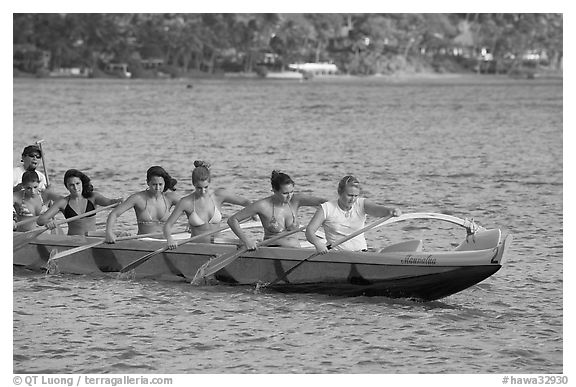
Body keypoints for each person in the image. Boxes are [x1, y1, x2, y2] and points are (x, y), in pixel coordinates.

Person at [227, 170, 327, 250]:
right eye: (285, 193)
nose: (289, 197)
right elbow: (232, 220)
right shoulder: (262, 205)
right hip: (272, 251)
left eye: (291, 192)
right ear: (274, 191)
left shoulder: (296, 200)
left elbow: (323, 202)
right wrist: (246, 240)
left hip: (296, 251)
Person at [164, 160, 253, 248]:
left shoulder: (219, 195)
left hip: (220, 245)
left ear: (209, 182)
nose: (203, 191)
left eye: (206, 187)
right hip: (197, 248)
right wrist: (170, 239)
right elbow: (167, 226)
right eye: (199, 188)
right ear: (193, 184)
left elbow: (246, 202)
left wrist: (251, 212)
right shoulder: (185, 202)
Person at [305, 175, 401, 254]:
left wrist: (390, 211)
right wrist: (318, 244)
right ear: (340, 192)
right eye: (349, 195)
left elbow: (378, 210)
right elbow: (310, 231)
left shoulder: (362, 204)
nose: (353, 199)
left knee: (379, 250)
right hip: (337, 255)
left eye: (356, 196)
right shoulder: (327, 208)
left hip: (361, 253)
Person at [104, 166, 179, 243]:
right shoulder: (137, 198)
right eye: (154, 184)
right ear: (147, 182)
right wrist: (109, 232)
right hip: (144, 241)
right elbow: (114, 214)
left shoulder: (170, 197)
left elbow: (189, 208)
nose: (157, 188)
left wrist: (191, 224)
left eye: (160, 184)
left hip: (165, 240)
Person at [37, 169, 123, 236]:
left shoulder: (93, 197)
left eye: (77, 183)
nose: (75, 187)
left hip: (92, 238)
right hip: (74, 241)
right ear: (67, 187)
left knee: (123, 234)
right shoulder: (63, 202)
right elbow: (40, 220)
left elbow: (109, 202)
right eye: (71, 185)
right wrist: (48, 222)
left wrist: (117, 201)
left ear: (82, 183)